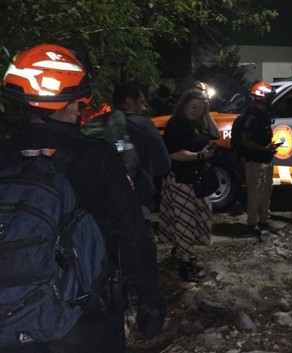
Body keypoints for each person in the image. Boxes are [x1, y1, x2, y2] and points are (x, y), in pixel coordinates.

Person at [0, 44, 165, 353]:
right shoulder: (95, 157)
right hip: (82, 318)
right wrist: (152, 300)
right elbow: (132, 235)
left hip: (10, 318)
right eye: (78, 101)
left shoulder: (4, 156)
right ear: (69, 104)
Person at [158, 87, 219, 283]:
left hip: (196, 178)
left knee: (201, 215)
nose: (197, 111)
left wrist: (207, 115)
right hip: (181, 179)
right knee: (185, 221)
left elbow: (215, 135)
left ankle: (182, 249)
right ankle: (186, 265)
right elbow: (173, 153)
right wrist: (201, 155)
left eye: (201, 108)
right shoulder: (176, 124)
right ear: (183, 105)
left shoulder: (199, 122)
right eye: (194, 107)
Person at [112, 83, 171, 221]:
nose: (144, 108)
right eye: (141, 103)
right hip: (136, 195)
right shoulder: (143, 124)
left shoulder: (96, 124)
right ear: (129, 102)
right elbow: (164, 164)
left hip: (103, 196)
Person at [239, 82, 278, 239]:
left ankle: (263, 220)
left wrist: (268, 149)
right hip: (255, 161)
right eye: (269, 98)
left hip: (266, 159)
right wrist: (264, 149)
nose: (271, 101)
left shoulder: (263, 115)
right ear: (262, 99)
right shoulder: (252, 116)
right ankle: (252, 223)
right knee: (255, 193)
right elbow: (245, 140)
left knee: (266, 192)